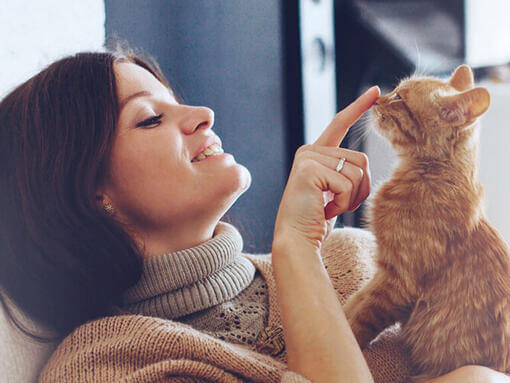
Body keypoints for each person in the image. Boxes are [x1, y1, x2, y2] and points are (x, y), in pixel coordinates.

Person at [0, 48, 506, 382]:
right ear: (91, 193)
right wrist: (294, 247)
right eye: (151, 118)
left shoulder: (351, 255)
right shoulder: (107, 363)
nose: (203, 114)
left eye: (177, 102)